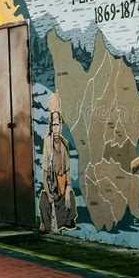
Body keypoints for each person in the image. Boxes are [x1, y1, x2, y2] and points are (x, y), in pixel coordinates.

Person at [39, 90, 77, 233]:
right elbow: (44, 177)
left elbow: (67, 172)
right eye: (54, 125)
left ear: (61, 126)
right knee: (43, 201)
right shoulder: (47, 144)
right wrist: (48, 193)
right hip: (52, 191)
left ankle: (65, 221)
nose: (56, 128)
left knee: (70, 200)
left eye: (58, 124)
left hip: (61, 191)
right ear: (51, 126)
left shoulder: (64, 144)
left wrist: (68, 190)